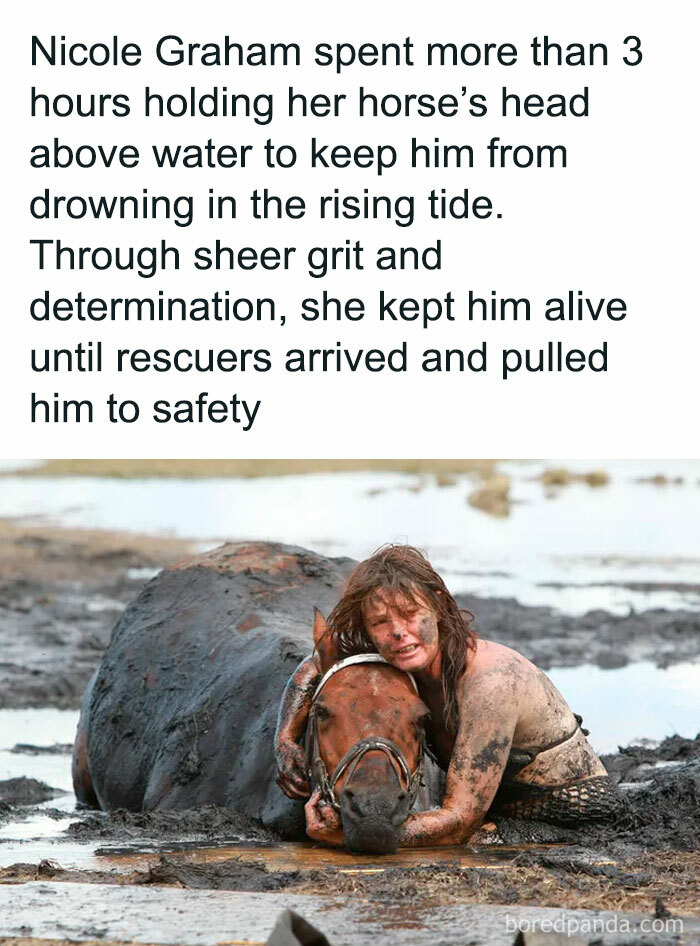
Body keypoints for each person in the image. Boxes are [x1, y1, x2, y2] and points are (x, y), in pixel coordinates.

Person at [274, 545, 620, 847]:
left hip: (566, 816)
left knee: (466, 844)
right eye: (379, 622)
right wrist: (286, 738)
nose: (397, 632)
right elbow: (317, 665)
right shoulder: (404, 652)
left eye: (411, 614)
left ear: (437, 606)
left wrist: (351, 834)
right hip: (489, 806)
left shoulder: (491, 681)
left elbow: (459, 821)